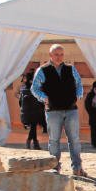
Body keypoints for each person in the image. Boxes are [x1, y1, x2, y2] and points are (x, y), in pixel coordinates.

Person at [31, 44, 88, 177]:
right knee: (54, 140)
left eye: (61, 54)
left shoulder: (71, 68)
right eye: (56, 54)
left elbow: (79, 83)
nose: (59, 57)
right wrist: (44, 98)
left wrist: (78, 96)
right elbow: (35, 88)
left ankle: (77, 168)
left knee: (74, 139)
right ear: (50, 55)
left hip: (71, 109)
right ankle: (54, 167)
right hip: (53, 111)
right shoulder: (42, 70)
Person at [19, 71, 44, 150]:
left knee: (33, 126)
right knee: (33, 125)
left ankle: (34, 142)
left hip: (25, 113)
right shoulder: (36, 89)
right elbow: (40, 102)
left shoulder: (23, 89)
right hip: (34, 113)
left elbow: (20, 102)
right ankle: (31, 142)